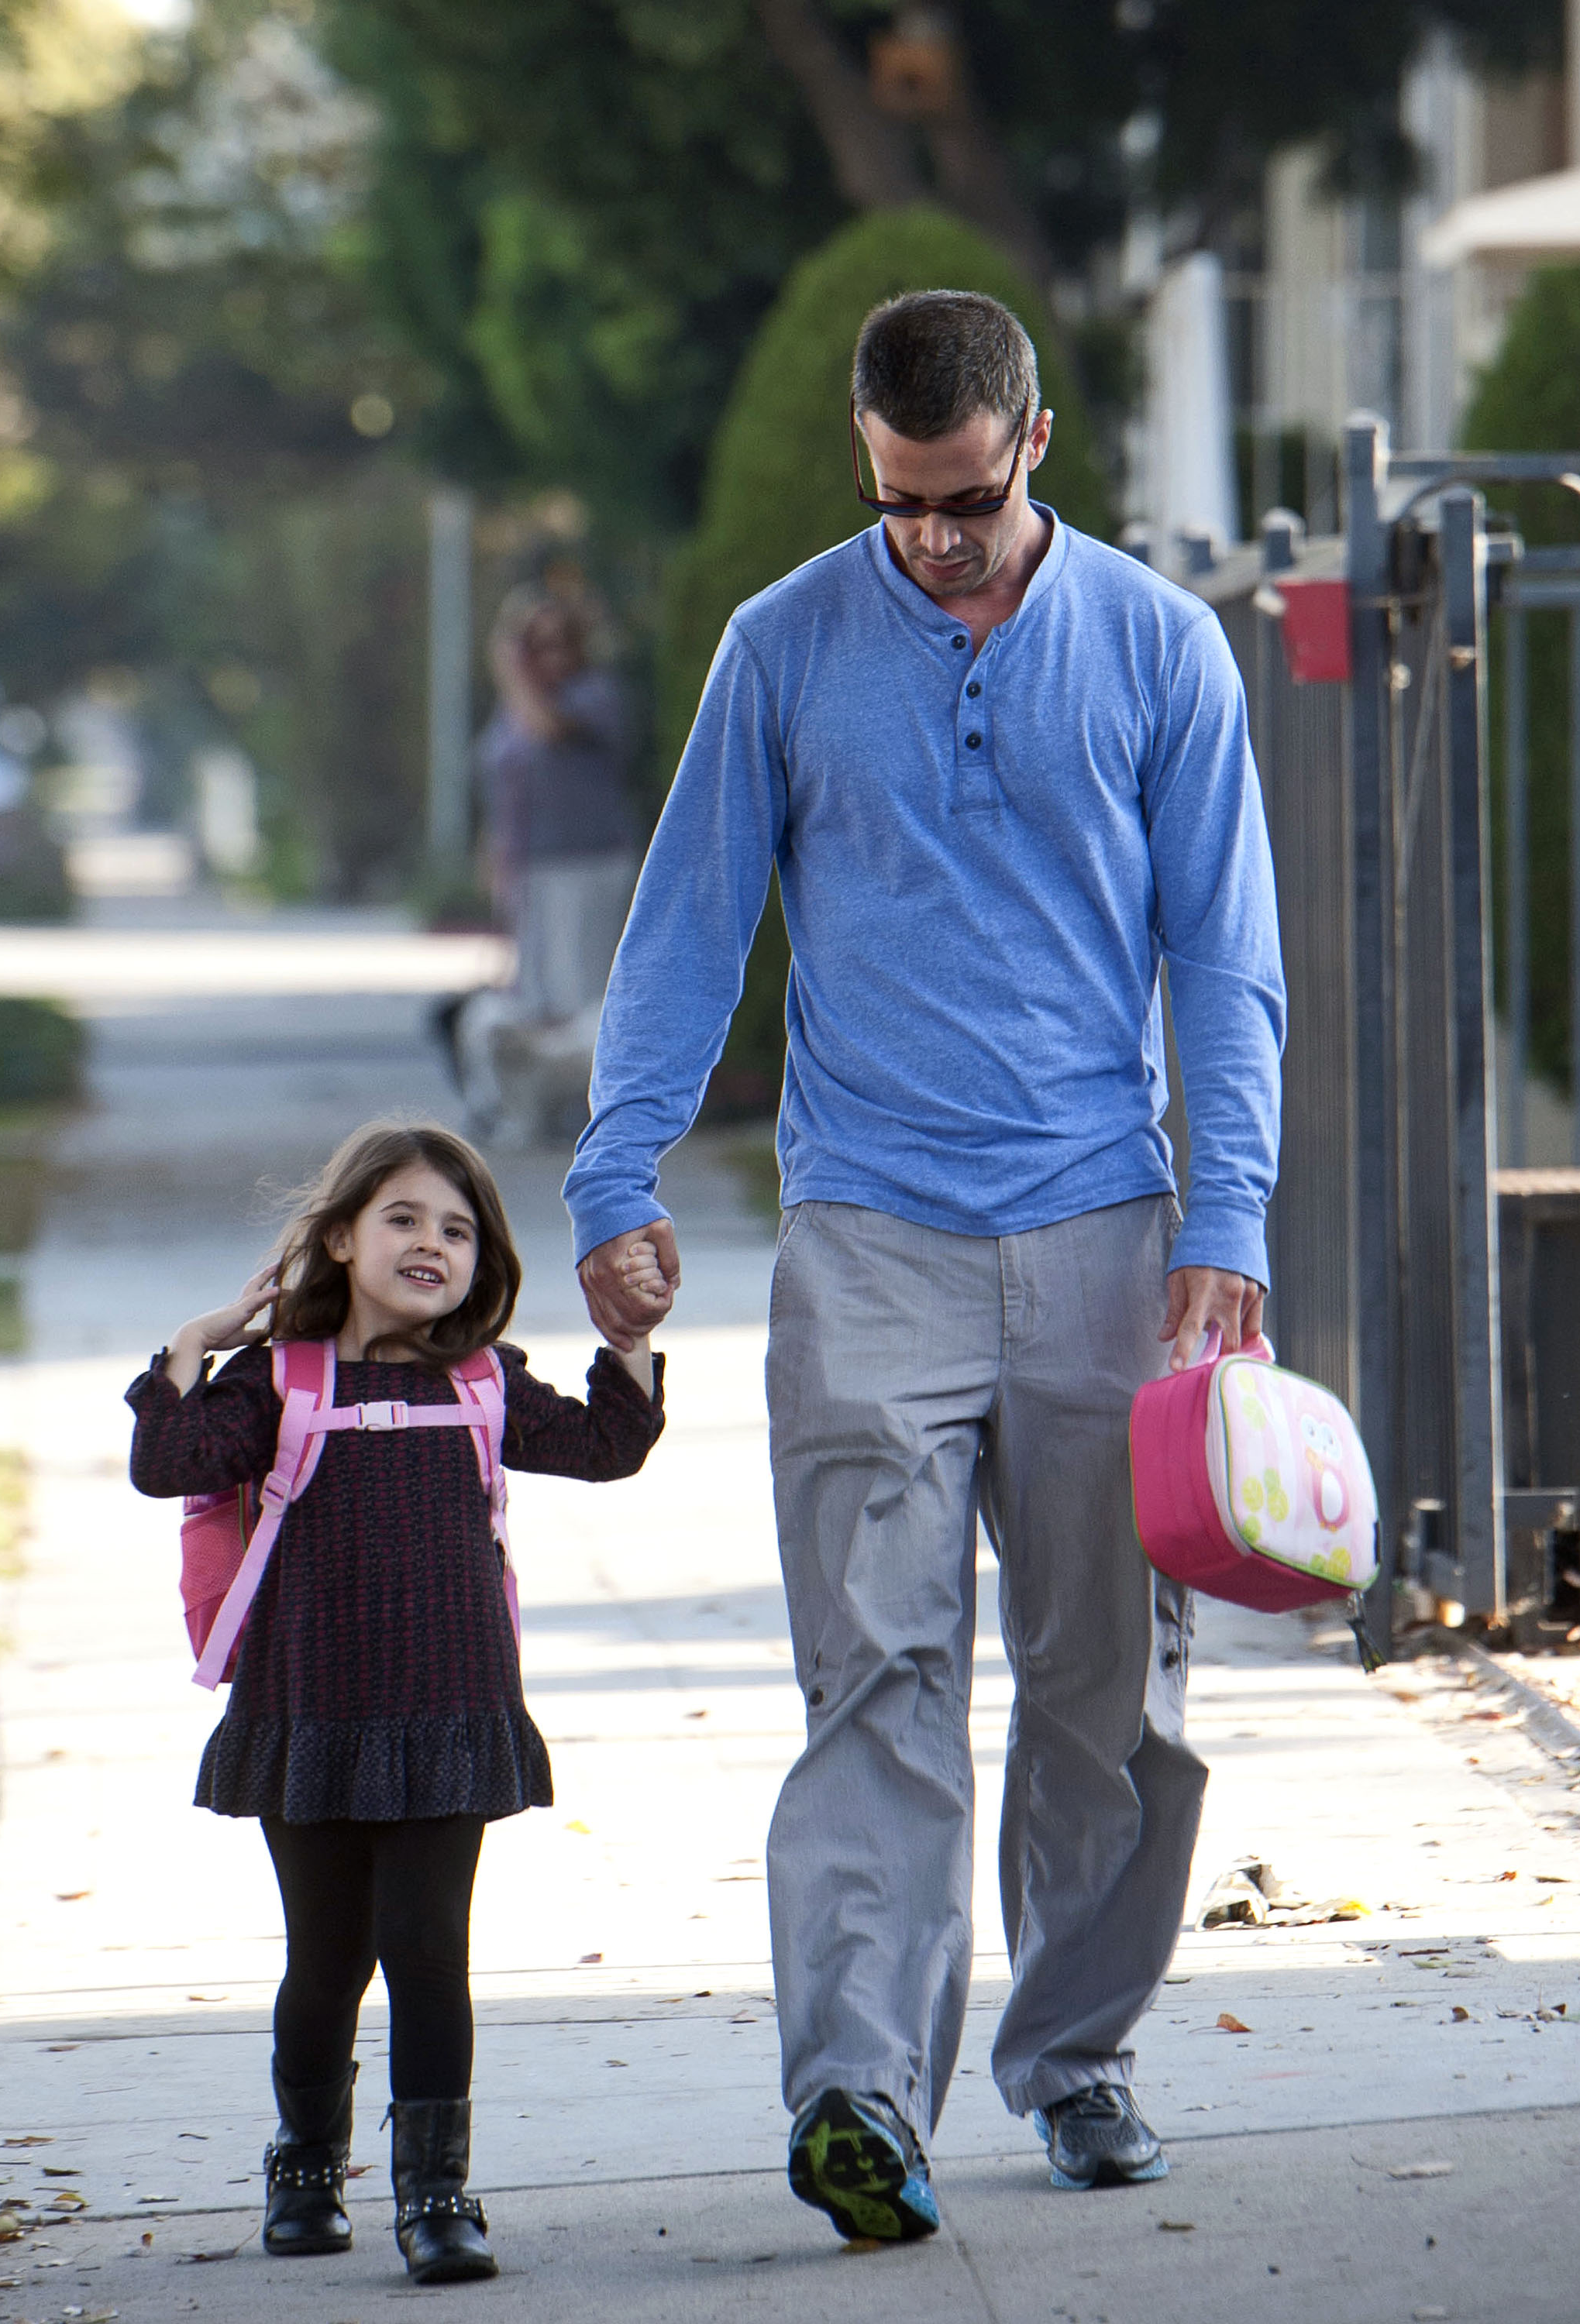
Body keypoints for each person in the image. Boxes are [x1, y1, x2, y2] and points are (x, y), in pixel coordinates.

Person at [565, 290, 1284, 2243]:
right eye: (897, 504)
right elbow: (688, 919)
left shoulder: (1154, 645)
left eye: (961, 499)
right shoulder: (783, 643)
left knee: (1097, 1695)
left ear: (1033, 440)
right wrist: (612, 1167)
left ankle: (1073, 2054)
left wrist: (1225, 1211)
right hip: (867, 1230)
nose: (933, 540)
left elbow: (1221, 953)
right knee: (870, 1671)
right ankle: (858, 2094)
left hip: (1102, 1234)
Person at [126, 1122, 668, 2283]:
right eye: (406, 1219)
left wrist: (627, 1342)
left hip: (450, 1707)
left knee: (429, 1951)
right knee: (325, 1960)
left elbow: (608, 1447)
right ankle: (307, 2167)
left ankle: (435, 2193)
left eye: (459, 1229)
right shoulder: (280, 1381)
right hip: (309, 1712)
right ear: (340, 1238)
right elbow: (166, 1461)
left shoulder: (481, 1382)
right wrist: (201, 1338)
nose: (434, 1243)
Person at [453, 592, 639, 1135]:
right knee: (531, 998)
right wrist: (493, 858)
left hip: (589, 863)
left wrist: (511, 673)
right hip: (531, 868)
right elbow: (500, 779)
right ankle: (527, 1107)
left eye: (558, 643)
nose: (546, 657)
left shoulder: (591, 696)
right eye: (533, 645)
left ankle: (600, 1111)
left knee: (582, 997)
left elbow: (546, 730)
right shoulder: (513, 709)